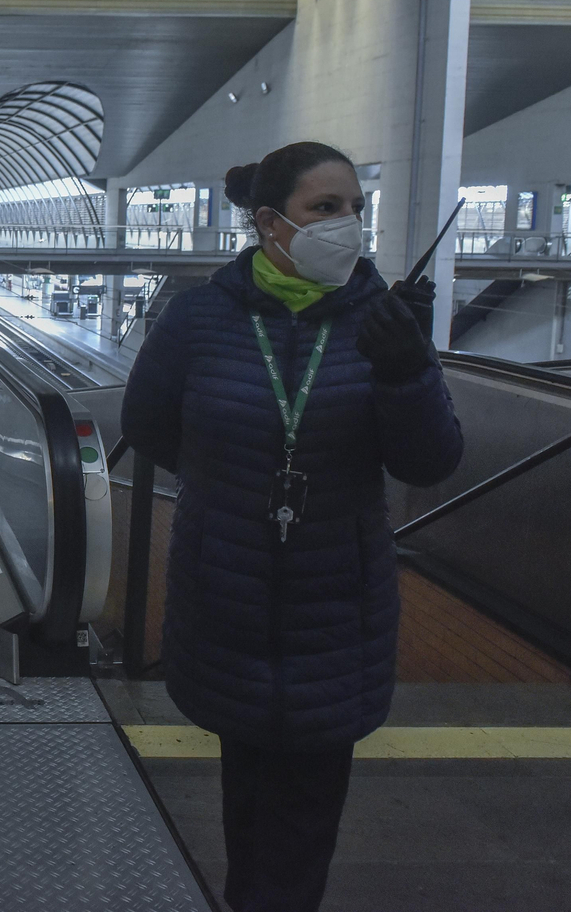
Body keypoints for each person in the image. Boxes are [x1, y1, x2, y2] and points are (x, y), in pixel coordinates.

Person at [121, 141, 463, 912]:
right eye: (325, 209)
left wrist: (410, 372)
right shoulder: (200, 319)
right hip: (227, 600)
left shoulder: (383, 324)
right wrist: (233, 488)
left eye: (354, 209)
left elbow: (430, 462)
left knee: (304, 816)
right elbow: (147, 423)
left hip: (335, 611)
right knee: (245, 795)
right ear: (270, 223)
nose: (348, 225)